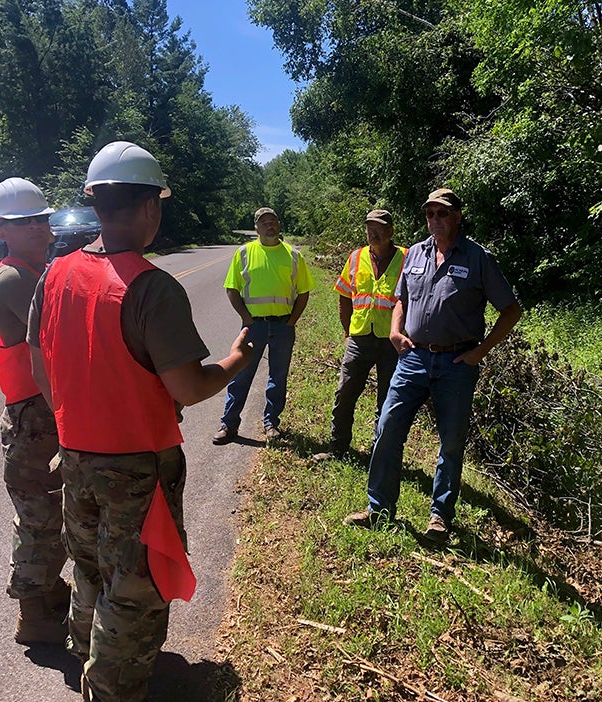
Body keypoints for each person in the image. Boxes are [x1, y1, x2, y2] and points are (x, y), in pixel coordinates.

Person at [27, 141, 253, 702]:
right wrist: (237, 361)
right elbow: (189, 387)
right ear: (151, 207)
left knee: (90, 568)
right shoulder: (151, 288)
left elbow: (40, 358)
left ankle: (85, 655)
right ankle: (112, 688)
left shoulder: (56, 274)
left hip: (74, 454)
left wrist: (67, 419)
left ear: (96, 204)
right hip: (137, 468)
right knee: (134, 589)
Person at [344, 188, 522, 541]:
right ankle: (378, 509)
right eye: (430, 214)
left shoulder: (478, 258)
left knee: (451, 441)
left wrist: (480, 352)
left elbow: (510, 310)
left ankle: (440, 516)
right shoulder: (415, 255)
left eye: (442, 213)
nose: (435, 220)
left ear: (457, 216)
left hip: (457, 361)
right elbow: (401, 299)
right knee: (388, 427)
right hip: (412, 358)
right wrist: (395, 330)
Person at [0, 177, 69, 645]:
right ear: (0, 229)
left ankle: (50, 590)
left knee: (52, 509)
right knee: (39, 516)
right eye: (23, 222)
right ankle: (33, 617)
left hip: (46, 410)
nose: (38, 227)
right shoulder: (13, 278)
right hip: (32, 418)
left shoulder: (40, 272)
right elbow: (60, 334)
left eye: (40, 218)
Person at [212, 206, 314, 444]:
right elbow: (232, 288)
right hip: (253, 327)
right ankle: (229, 425)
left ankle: (271, 424)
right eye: (265, 222)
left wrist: (291, 321)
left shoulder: (293, 255)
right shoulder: (244, 253)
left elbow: (304, 292)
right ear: (256, 228)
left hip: (282, 326)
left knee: (278, 377)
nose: (270, 225)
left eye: (273, 221)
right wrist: (246, 318)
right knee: (240, 374)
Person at [314, 209, 407, 460]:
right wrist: (347, 332)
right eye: (369, 227)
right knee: (345, 394)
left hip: (392, 342)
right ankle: (338, 448)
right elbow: (344, 296)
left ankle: (381, 454)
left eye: (378, 228)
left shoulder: (407, 258)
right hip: (360, 338)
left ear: (390, 231)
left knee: (388, 401)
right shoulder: (356, 257)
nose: (372, 232)